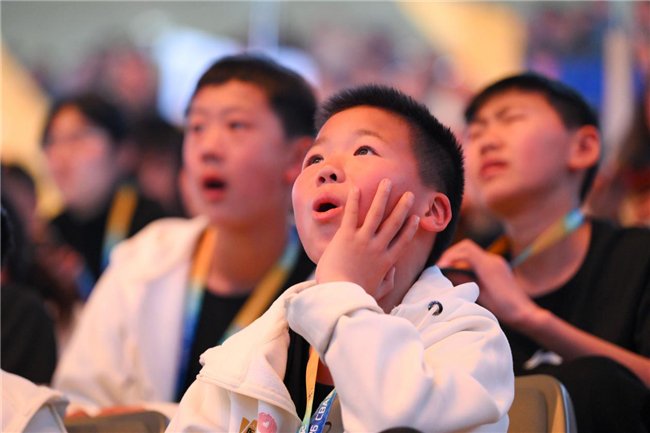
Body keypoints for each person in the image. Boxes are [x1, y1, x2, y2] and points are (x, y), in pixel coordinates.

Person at [168, 84, 514, 432]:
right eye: (314, 159)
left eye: (364, 150)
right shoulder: (247, 356)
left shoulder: (469, 339)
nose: (327, 170)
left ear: (432, 210)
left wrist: (341, 290)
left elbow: (398, 421)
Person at [52, 54, 317, 418]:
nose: (208, 148)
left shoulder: (322, 285)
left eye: (236, 126)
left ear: (297, 157)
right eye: (196, 127)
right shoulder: (145, 257)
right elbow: (76, 403)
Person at [438, 72, 650, 432]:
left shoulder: (639, 256)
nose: (486, 141)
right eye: (474, 133)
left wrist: (530, 318)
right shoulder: (459, 281)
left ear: (583, 147)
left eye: (510, 118)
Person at [41, 93, 168, 300]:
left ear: (123, 152)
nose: (61, 154)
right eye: (51, 141)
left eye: (77, 138)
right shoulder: (49, 236)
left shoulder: (154, 227)